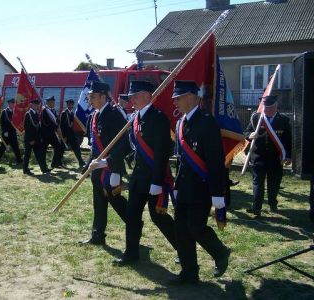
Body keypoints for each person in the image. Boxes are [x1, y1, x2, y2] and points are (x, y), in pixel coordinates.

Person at [101, 80, 177, 265]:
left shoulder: (158, 118)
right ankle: (131, 253)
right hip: (138, 178)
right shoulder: (135, 118)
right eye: (131, 96)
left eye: (135, 96)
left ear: (147, 95)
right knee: (132, 216)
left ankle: (183, 249)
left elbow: (161, 152)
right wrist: (108, 160)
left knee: (159, 217)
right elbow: (127, 145)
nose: (131, 100)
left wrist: (157, 182)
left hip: (153, 179)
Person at [168, 80, 230, 284]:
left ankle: (220, 252)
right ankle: (189, 272)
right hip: (184, 188)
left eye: (179, 97)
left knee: (196, 228)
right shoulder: (180, 123)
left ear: (192, 97)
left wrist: (218, 193)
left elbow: (215, 160)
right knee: (181, 230)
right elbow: (181, 160)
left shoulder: (207, 122)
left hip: (202, 187)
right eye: (174, 98)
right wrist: (176, 187)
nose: (175, 102)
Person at [79, 81, 128, 245]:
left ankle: (135, 224)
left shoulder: (115, 115)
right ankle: (97, 235)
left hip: (111, 169)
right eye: (89, 96)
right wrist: (87, 166)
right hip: (97, 170)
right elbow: (94, 145)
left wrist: (109, 162)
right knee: (98, 204)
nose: (90, 99)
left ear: (103, 96)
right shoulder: (94, 116)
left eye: (93, 96)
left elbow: (125, 143)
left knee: (117, 202)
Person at [244, 95, 292, 216]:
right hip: (258, 157)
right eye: (265, 109)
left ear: (276, 107)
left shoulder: (284, 120)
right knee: (257, 183)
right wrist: (250, 135)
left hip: (276, 159)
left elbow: (288, 140)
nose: (267, 111)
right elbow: (246, 131)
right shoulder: (256, 118)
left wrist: (289, 156)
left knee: (274, 183)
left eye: (270, 108)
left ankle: (272, 203)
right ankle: (256, 208)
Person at [23, 99, 48, 175]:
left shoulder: (36, 114)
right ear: (31, 105)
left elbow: (38, 127)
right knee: (27, 154)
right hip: (29, 139)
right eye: (35, 104)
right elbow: (26, 128)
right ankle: (25, 169)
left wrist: (39, 137)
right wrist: (31, 139)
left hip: (36, 139)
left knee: (39, 154)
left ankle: (44, 170)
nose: (36, 106)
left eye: (37, 105)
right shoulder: (28, 114)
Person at [0, 98, 22, 164]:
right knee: (3, 147)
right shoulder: (5, 112)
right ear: (9, 104)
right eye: (11, 103)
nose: (12, 105)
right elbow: (2, 122)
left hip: (13, 132)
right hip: (6, 133)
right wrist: (4, 131)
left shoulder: (15, 112)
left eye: (13, 104)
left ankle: (19, 161)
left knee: (15, 147)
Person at [60, 99, 85, 169]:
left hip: (71, 134)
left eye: (72, 104)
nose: (71, 106)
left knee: (76, 147)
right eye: (69, 104)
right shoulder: (64, 113)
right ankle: (57, 162)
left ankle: (81, 161)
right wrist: (64, 137)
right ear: (67, 105)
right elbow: (62, 126)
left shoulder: (71, 113)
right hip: (66, 135)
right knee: (61, 149)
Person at [40, 96, 63, 169]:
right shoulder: (44, 111)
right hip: (45, 134)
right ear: (48, 103)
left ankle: (54, 163)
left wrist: (58, 123)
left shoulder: (53, 111)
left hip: (52, 134)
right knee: (43, 151)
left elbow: (56, 120)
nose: (53, 104)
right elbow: (46, 122)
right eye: (51, 102)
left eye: (53, 102)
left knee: (58, 147)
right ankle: (44, 167)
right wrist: (56, 126)